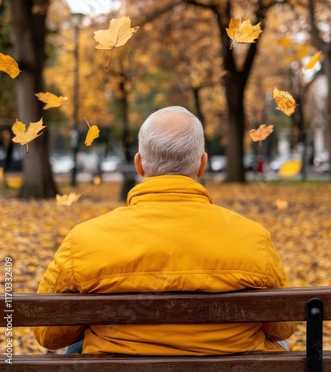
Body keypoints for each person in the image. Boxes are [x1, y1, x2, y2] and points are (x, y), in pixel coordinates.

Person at [34, 106, 296, 355]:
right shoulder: (253, 238)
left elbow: (48, 333)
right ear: (202, 165)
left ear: (139, 165)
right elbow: (283, 326)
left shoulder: (83, 241)